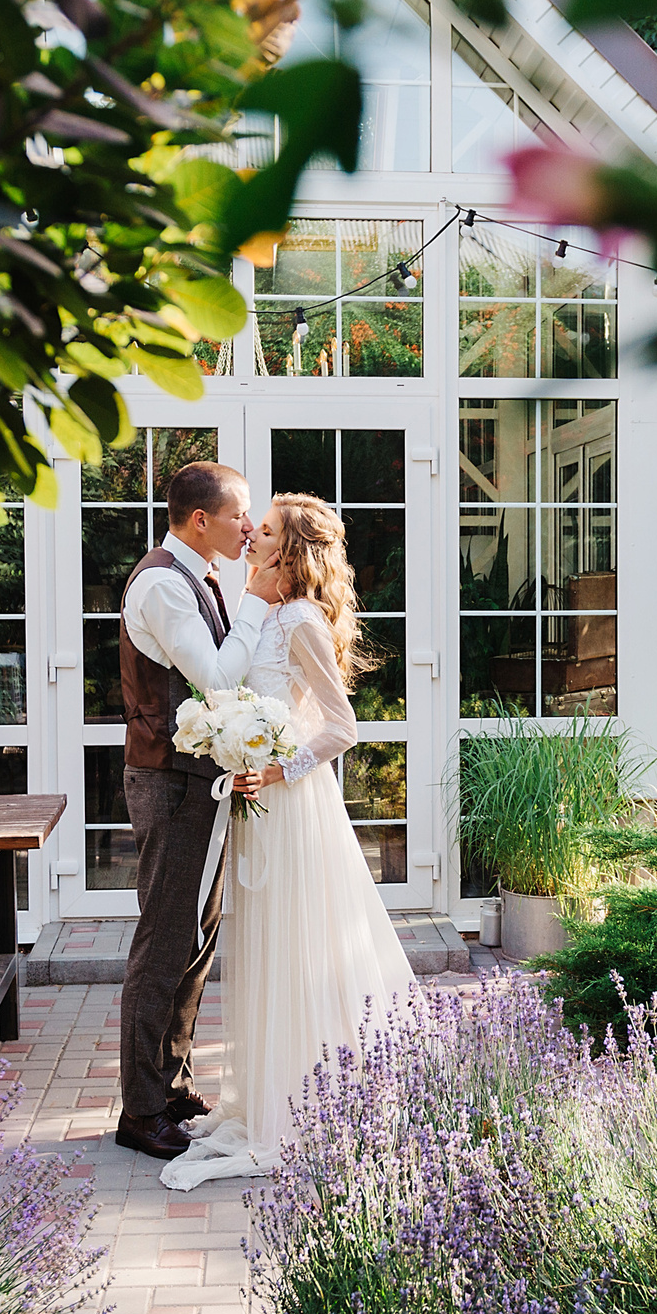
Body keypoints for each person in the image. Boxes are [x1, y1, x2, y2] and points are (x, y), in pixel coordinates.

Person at [160, 492, 417, 1190]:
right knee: (269, 948)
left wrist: (279, 765)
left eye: (264, 529)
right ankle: (271, 1092)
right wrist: (241, 755)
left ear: (290, 550)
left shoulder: (299, 617)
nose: (250, 533)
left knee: (298, 947)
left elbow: (341, 726)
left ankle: (300, 1107)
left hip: (298, 806)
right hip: (263, 801)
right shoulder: (267, 613)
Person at [114, 461, 264, 1161]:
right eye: (240, 515)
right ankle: (139, 1112)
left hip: (195, 782)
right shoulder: (162, 584)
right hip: (168, 784)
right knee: (163, 942)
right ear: (199, 519)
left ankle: (171, 1085)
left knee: (196, 940)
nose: (250, 526)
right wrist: (260, 599)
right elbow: (213, 677)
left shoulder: (199, 576)